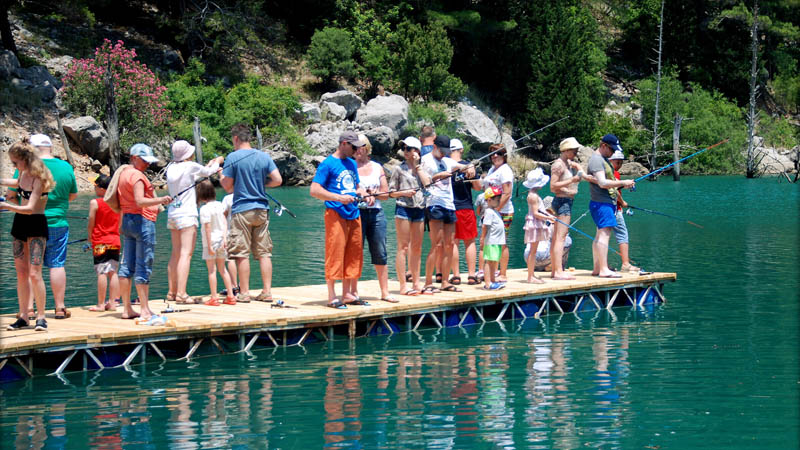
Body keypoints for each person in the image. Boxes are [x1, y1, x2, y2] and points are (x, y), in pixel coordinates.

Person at [220, 123, 283, 303]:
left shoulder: (233, 157)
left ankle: (245, 292)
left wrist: (222, 176)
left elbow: (226, 186)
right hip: (262, 209)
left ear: (236, 139)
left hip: (242, 209)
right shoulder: (263, 156)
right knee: (264, 252)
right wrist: (262, 185)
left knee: (241, 253)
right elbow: (278, 180)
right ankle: (267, 292)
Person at [310, 131, 370, 308]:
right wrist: (338, 198)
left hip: (354, 213)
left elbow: (356, 187)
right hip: (335, 213)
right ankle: (332, 296)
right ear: (344, 144)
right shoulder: (328, 164)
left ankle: (348, 294)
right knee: (335, 253)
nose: (357, 150)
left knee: (354, 253)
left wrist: (364, 194)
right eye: (354, 147)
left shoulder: (352, 164)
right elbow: (314, 190)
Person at [1, 139, 55, 331]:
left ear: (25, 159)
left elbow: (31, 208)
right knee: (21, 273)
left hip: (35, 223)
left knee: (34, 273)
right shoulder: (23, 173)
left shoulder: (39, 178)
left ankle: (41, 317)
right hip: (20, 224)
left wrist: (6, 206)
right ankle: (23, 315)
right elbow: (16, 183)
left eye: (15, 162)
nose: (14, 166)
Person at [22, 134, 78, 319]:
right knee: (57, 264)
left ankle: (29, 309)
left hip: (32, 222)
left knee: (32, 266)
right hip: (58, 222)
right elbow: (72, 195)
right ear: (50, 148)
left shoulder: (28, 167)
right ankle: (60, 307)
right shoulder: (66, 167)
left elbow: (14, 193)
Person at [115, 143, 173, 320]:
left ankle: (127, 309)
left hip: (127, 221)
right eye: (145, 160)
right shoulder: (138, 177)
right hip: (142, 222)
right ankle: (145, 309)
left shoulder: (123, 174)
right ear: (134, 158)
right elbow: (140, 201)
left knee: (126, 266)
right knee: (144, 264)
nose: (148, 164)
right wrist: (161, 200)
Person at [165, 140, 224, 304]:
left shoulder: (171, 168)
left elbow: (197, 174)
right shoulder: (190, 166)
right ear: (187, 154)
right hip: (187, 216)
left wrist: (207, 167)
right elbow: (207, 172)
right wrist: (218, 161)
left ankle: (172, 292)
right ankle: (182, 294)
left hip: (172, 214)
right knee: (186, 254)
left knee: (175, 253)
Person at [420, 135, 472, 293]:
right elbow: (424, 181)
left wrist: (470, 167)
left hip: (449, 204)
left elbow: (462, 166)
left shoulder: (448, 161)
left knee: (449, 244)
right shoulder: (426, 160)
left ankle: (445, 282)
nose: (443, 153)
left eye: (446, 151)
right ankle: (428, 282)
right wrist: (438, 176)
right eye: (441, 150)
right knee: (436, 244)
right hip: (434, 203)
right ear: (434, 147)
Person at [354, 134, 396, 302]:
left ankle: (385, 292)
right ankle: (353, 291)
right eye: (354, 147)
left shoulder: (377, 167)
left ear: (367, 148)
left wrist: (374, 194)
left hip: (376, 213)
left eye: (361, 146)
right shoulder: (349, 167)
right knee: (355, 252)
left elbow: (386, 194)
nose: (357, 150)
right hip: (356, 213)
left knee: (380, 251)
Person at [587, 134, 635, 278]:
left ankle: (597, 268)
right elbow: (602, 182)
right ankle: (603, 269)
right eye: (612, 149)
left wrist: (623, 185)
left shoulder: (603, 160)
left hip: (606, 203)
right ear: (603, 146)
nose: (613, 152)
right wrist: (622, 183)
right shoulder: (596, 160)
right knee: (604, 235)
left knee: (599, 235)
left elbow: (607, 181)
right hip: (602, 203)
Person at [388, 136, 431, 296]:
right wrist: (404, 193)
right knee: (403, 247)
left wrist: (418, 167)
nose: (405, 151)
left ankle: (416, 283)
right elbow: (391, 192)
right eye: (404, 148)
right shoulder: (399, 169)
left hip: (419, 208)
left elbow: (427, 184)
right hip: (403, 208)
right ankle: (403, 285)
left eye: (408, 148)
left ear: (416, 151)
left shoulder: (422, 168)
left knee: (417, 248)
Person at [549, 137, 590, 280]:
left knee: (557, 237)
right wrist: (571, 181)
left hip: (566, 201)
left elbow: (579, 169)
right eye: (574, 151)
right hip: (562, 201)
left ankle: (555, 270)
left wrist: (578, 168)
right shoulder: (558, 165)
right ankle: (558, 271)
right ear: (565, 150)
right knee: (560, 237)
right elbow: (553, 186)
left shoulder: (567, 163)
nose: (576, 153)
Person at [196, 179, 236, 306]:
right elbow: (224, 222)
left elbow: (207, 227)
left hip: (211, 242)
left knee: (212, 271)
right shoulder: (220, 205)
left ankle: (214, 297)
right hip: (222, 241)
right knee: (223, 269)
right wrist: (225, 238)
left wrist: (209, 246)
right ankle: (231, 295)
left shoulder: (204, 209)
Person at [480, 144, 514, 282]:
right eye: (492, 154)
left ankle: (503, 273)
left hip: (503, 212)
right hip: (490, 211)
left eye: (498, 153)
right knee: (490, 241)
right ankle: (490, 271)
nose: (495, 156)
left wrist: (496, 211)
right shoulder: (492, 170)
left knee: (502, 242)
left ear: (504, 155)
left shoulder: (505, 170)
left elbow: (507, 193)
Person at [87, 174, 121, 312]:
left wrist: (90, 237)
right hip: (115, 240)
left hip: (100, 242)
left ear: (102, 188)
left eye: (95, 186)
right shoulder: (117, 202)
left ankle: (101, 304)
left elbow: (91, 222)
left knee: (101, 271)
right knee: (113, 271)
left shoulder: (95, 203)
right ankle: (112, 303)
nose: (94, 189)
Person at [448, 139, 480, 285]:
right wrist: (472, 174)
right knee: (470, 242)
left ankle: (456, 275)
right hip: (465, 207)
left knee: (453, 242)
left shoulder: (444, 164)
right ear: (461, 150)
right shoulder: (468, 166)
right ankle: (472, 275)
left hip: (449, 207)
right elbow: (478, 187)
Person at [608, 149, 640, 273]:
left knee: (603, 236)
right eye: (617, 162)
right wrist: (623, 202)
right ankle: (625, 264)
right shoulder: (613, 173)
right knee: (622, 234)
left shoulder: (605, 172)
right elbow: (615, 191)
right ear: (610, 161)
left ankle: (602, 265)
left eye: (621, 163)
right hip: (615, 209)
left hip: (604, 209)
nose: (619, 165)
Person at [522, 168, 556, 283]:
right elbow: (536, 213)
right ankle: (530, 277)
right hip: (534, 224)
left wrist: (548, 215)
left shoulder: (533, 194)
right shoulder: (533, 196)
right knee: (533, 251)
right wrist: (548, 217)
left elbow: (540, 210)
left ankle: (531, 275)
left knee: (534, 250)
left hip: (536, 223)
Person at [480, 186, 506, 291]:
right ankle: (488, 283)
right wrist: (482, 238)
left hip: (496, 241)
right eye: (497, 200)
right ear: (489, 200)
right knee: (489, 261)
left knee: (494, 262)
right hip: (491, 241)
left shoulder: (495, 211)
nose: (499, 202)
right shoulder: (489, 211)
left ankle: (492, 280)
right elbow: (485, 226)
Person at [220, 192, 239, 297]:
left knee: (230, 259)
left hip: (231, 232)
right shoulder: (247, 195)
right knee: (242, 258)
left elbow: (223, 215)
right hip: (244, 232)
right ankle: (243, 287)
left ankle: (234, 286)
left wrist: (223, 235)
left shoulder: (228, 198)